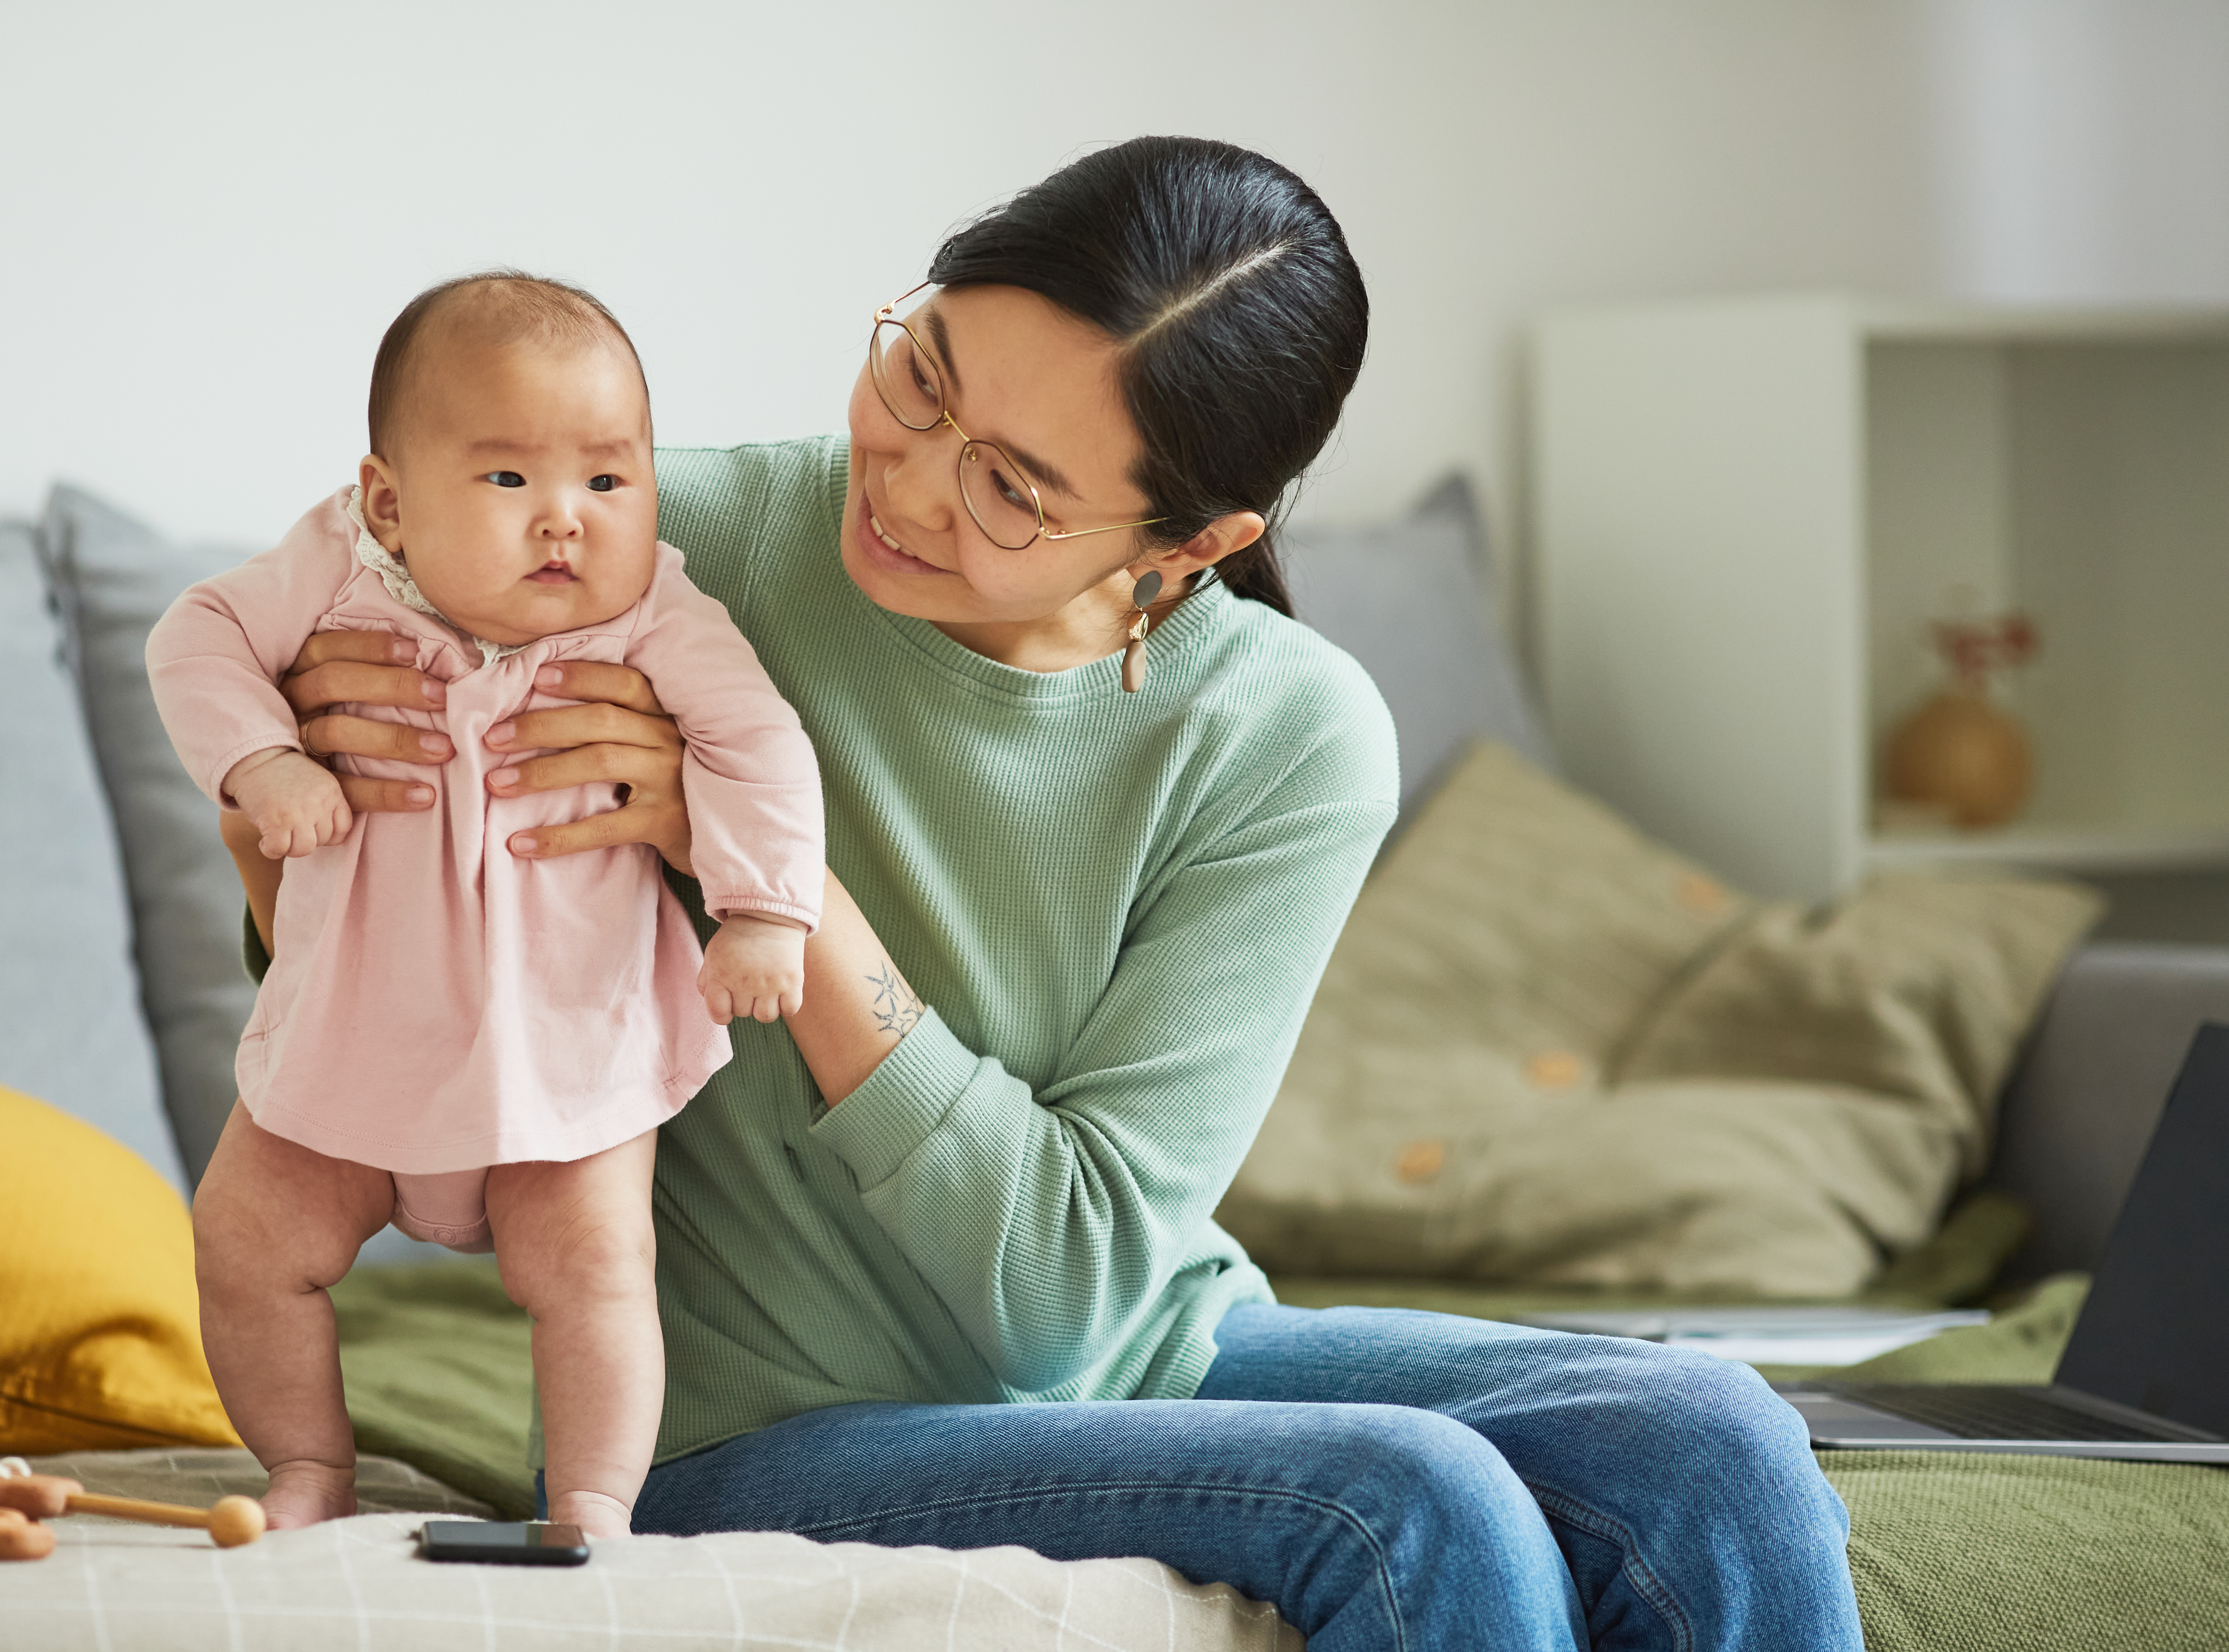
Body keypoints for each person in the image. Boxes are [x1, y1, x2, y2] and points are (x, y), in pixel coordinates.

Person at [226, 138, 1863, 1649]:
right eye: (920, 375)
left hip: (1139, 1347)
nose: (913, 481)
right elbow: (349, 916)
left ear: (1187, 546)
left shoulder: (1281, 732)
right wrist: (302, 807)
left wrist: (756, 873)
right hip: (737, 1425)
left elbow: (1070, 1301)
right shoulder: (652, 554)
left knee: (1709, 1438)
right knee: (1406, 1502)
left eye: (1013, 486)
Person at [152, 274, 825, 1539]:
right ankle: (307, 1468)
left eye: (608, 482)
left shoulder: (653, 616)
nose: (565, 520)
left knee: (598, 1272)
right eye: (510, 480)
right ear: (388, 504)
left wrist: (765, 912)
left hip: (566, 1056)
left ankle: (589, 1500)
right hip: (352, 1037)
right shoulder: (333, 574)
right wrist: (263, 762)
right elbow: (194, 639)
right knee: (244, 1239)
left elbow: (756, 739)